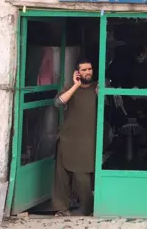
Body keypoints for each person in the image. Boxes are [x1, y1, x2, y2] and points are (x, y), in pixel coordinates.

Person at [52, 58, 98, 217]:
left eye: (89, 69)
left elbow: (107, 104)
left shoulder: (97, 89)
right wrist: (76, 85)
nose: (88, 72)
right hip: (67, 139)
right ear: (77, 73)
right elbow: (58, 103)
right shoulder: (70, 88)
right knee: (62, 177)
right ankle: (61, 208)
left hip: (87, 141)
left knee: (83, 178)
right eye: (84, 70)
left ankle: (87, 209)